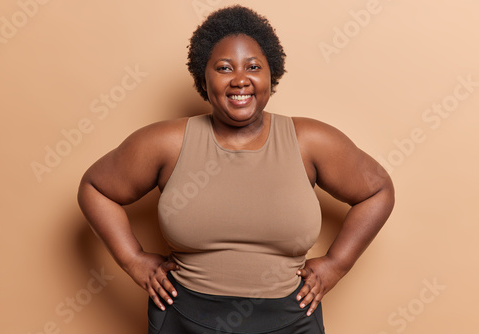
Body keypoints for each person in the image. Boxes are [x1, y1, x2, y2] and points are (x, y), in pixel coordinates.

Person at [77, 5, 395, 333]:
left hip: (291, 320)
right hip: (185, 319)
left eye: (253, 67)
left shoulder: (311, 141)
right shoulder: (167, 143)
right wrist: (132, 260)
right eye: (224, 68)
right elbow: (96, 188)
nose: (240, 80)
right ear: (204, 77)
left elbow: (377, 190)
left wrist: (336, 265)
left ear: (271, 74)